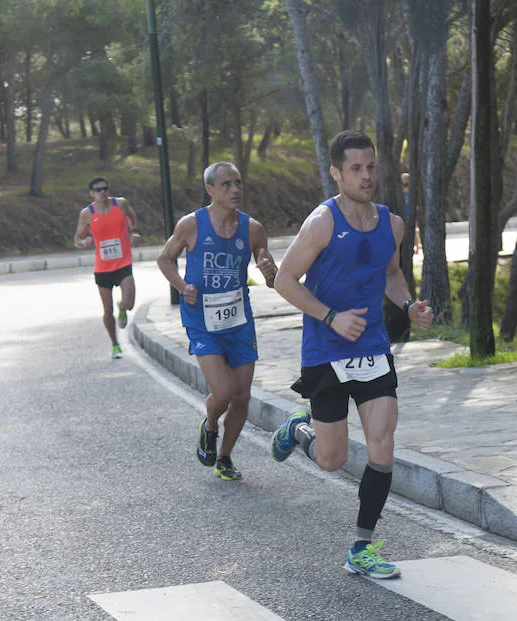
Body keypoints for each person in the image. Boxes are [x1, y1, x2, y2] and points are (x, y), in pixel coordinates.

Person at [271, 130, 433, 578]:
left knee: (382, 444)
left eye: (371, 167)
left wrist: (408, 305)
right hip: (325, 350)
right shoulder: (322, 222)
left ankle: (362, 545)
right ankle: (298, 430)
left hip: (372, 349)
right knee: (332, 459)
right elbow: (285, 281)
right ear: (336, 173)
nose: (366, 176)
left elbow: (392, 274)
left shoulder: (392, 224)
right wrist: (330, 317)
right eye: (356, 168)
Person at [157, 162, 278, 481]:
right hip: (202, 320)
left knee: (242, 397)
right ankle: (210, 426)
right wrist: (182, 286)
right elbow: (164, 257)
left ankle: (224, 457)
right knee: (223, 392)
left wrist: (270, 272)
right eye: (226, 184)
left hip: (239, 321)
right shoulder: (191, 225)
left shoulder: (253, 229)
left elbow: (272, 276)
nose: (235, 189)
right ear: (209, 190)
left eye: (238, 183)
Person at [74, 177, 140, 359]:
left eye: (105, 188)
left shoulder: (121, 204)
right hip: (103, 268)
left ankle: (123, 307)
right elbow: (77, 239)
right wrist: (83, 242)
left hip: (123, 263)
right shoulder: (87, 214)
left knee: (129, 303)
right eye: (98, 190)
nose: (102, 192)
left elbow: (132, 218)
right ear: (91, 194)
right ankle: (115, 344)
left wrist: (133, 231)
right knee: (107, 310)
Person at [401, 172, 421, 255]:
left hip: (412, 212)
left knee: (415, 230)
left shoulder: (412, 191)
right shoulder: (400, 191)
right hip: (404, 213)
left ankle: (416, 247)